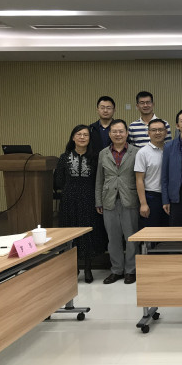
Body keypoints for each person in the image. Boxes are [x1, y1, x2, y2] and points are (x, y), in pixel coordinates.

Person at [54, 125, 104, 283]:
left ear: (90, 139)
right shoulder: (64, 157)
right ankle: (73, 267)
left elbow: (99, 180)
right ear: (73, 137)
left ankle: (88, 268)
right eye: (79, 134)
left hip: (89, 199)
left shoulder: (95, 157)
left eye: (86, 135)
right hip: (69, 200)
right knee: (70, 233)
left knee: (88, 233)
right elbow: (58, 180)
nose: (82, 137)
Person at [95, 120, 140, 285]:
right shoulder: (103, 153)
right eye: (114, 131)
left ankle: (131, 270)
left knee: (131, 238)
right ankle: (116, 270)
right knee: (113, 239)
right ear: (109, 134)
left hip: (130, 199)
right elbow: (99, 179)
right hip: (109, 201)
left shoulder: (137, 152)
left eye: (121, 131)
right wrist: (98, 201)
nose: (118, 134)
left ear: (127, 133)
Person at [134, 118, 169, 229]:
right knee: (152, 231)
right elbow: (139, 180)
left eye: (160, 130)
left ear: (166, 132)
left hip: (169, 197)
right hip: (152, 197)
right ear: (148, 133)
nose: (157, 133)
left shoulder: (170, 149)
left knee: (169, 231)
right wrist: (143, 204)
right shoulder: (143, 153)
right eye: (154, 130)